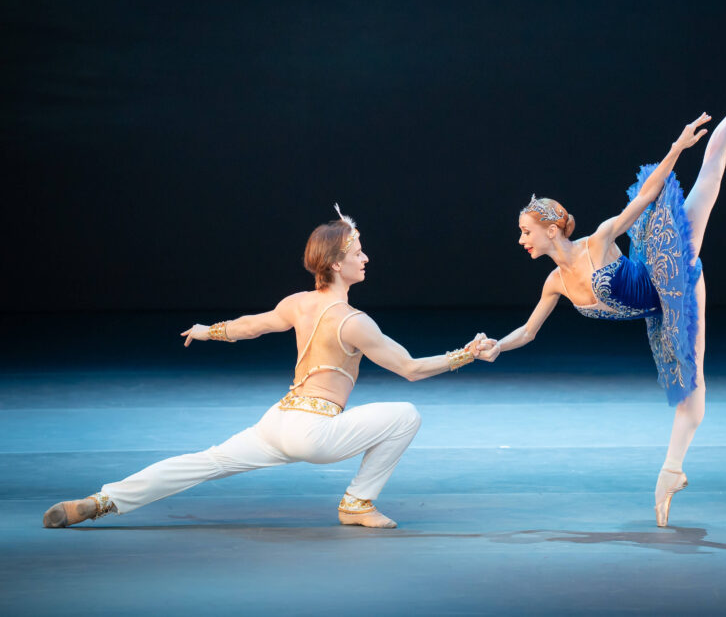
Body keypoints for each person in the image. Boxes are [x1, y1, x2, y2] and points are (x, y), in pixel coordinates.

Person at [478, 37, 726, 527]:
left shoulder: (598, 241)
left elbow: (643, 198)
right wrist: (496, 347)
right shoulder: (554, 284)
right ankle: (671, 473)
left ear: (551, 229)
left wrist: (677, 146)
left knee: (710, 166)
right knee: (691, 400)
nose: (521, 241)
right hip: (659, 311)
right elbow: (528, 332)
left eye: (525, 232)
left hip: (668, 268)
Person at [43, 209, 498, 529]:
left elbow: (249, 327)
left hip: (277, 421)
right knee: (406, 414)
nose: (365, 258)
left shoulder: (298, 303)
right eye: (358, 252)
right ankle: (357, 502)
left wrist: (205, 330)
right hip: (314, 430)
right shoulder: (355, 322)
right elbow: (412, 369)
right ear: (337, 264)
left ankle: (101, 501)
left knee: (203, 463)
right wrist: (467, 353)